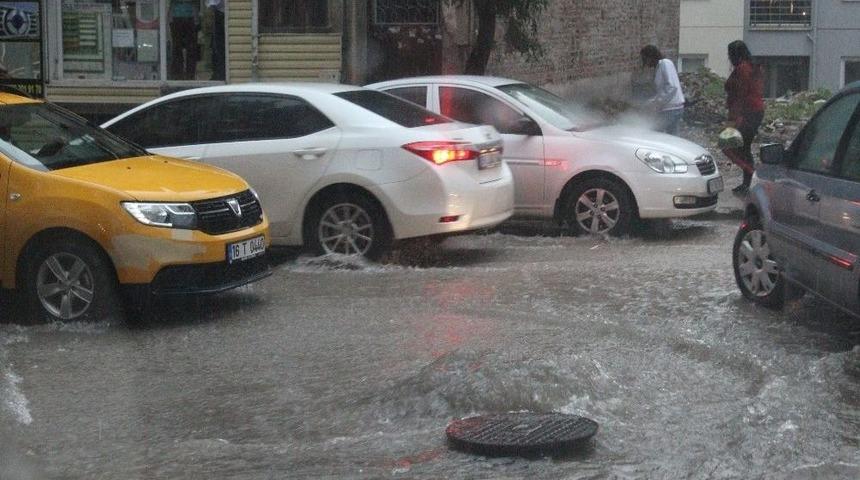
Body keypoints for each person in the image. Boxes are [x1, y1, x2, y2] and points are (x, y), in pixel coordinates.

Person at [724, 40, 765, 193]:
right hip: (754, 111)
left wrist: (735, 117)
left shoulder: (742, 69)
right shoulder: (754, 67)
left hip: (744, 113)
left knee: (728, 146)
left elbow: (740, 94)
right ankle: (747, 182)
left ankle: (752, 175)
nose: (729, 58)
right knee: (743, 147)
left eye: (730, 54)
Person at [640, 45, 685, 135]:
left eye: (645, 59)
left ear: (651, 57)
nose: (645, 62)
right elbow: (662, 90)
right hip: (672, 108)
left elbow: (672, 87)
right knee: (672, 137)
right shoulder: (659, 67)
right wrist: (651, 101)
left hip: (671, 108)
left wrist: (658, 102)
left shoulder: (665, 63)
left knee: (655, 133)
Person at [169, 0, 200, 80]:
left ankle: (190, 75)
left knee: (191, 48)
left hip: (191, 16)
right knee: (177, 47)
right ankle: (178, 75)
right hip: (175, 16)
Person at [207, 0, 226, 80]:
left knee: (219, 46)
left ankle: (220, 74)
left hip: (221, 13)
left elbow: (212, 3)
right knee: (217, 46)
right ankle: (218, 73)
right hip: (220, 13)